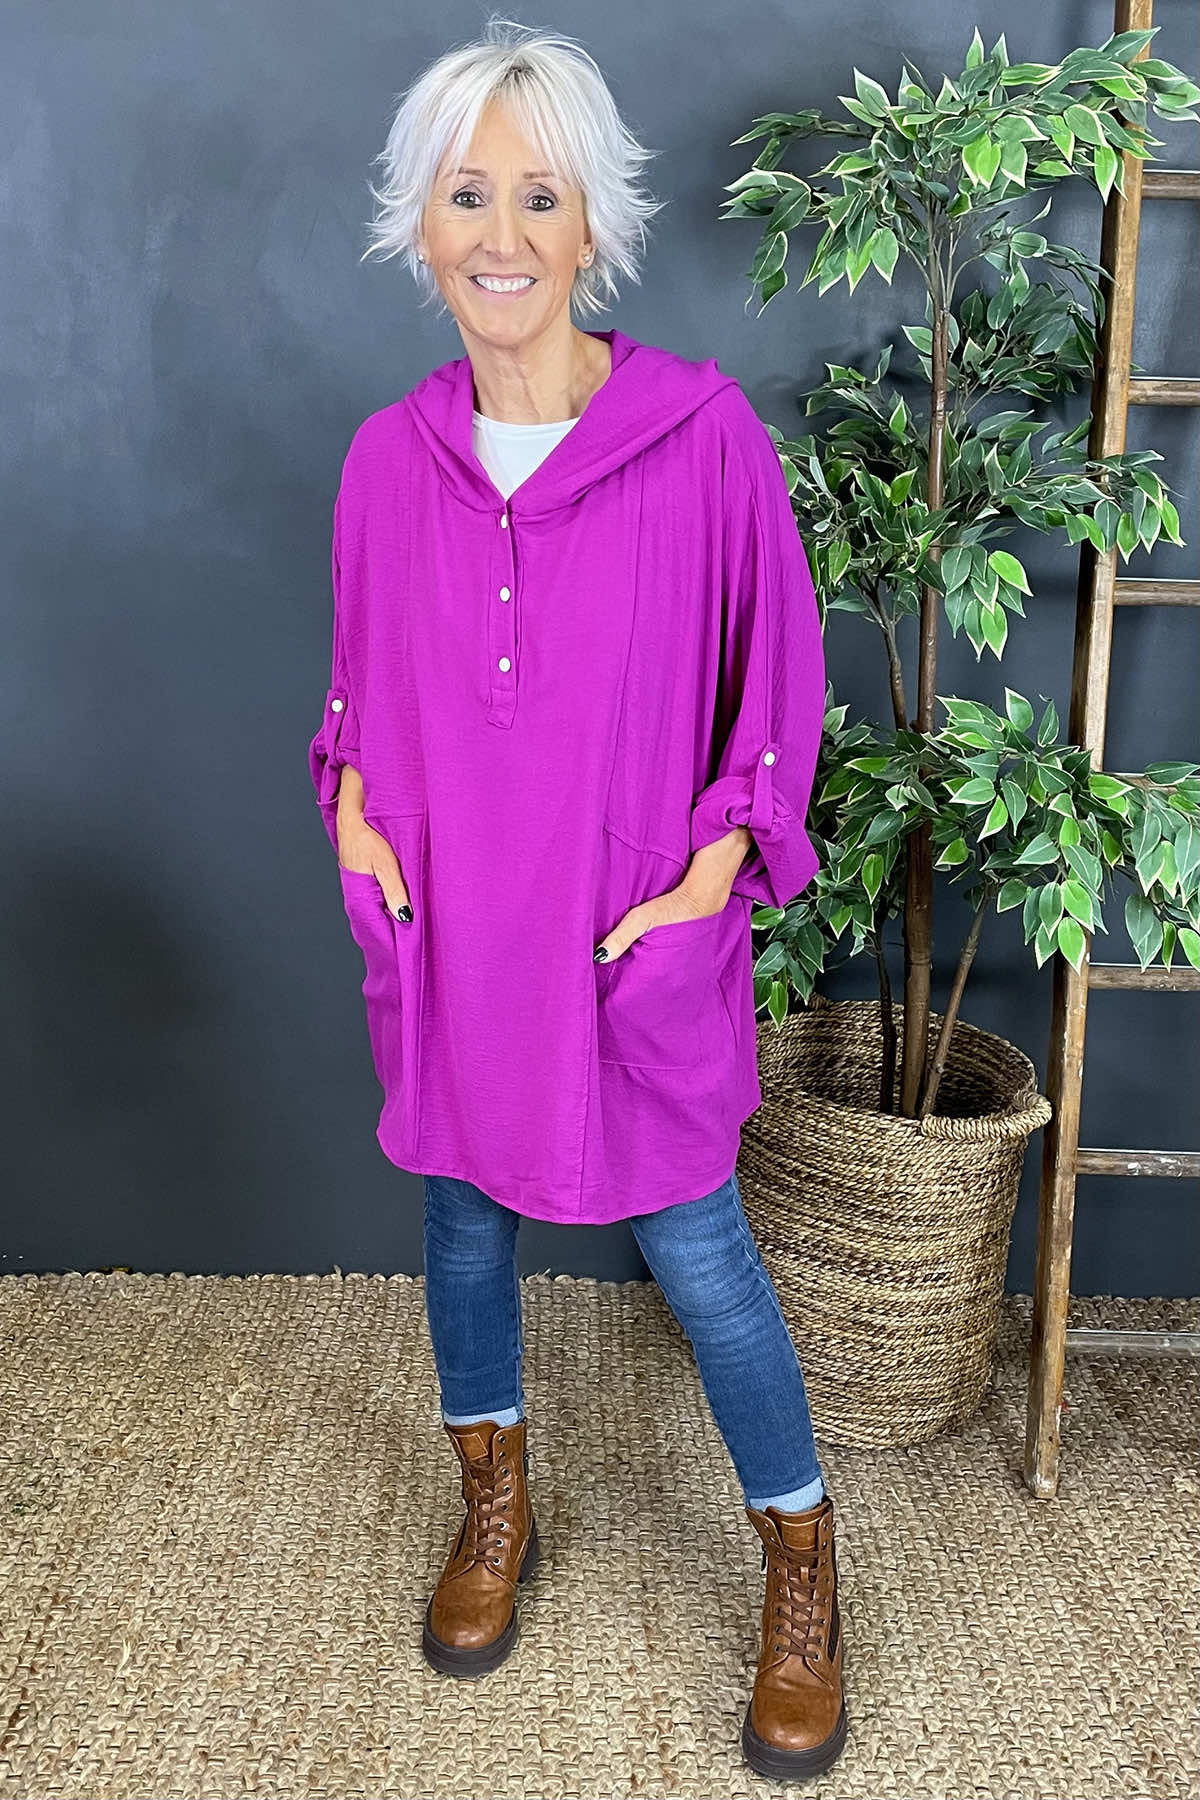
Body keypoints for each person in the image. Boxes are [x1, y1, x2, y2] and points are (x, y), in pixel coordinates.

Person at [308, 17, 845, 1783]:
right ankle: (496, 1502)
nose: (502, 234)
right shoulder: (386, 462)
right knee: (463, 1223)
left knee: (700, 1252)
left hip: (626, 942)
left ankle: (801, 1561)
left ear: (594, 224)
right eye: (467, 194)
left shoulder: (702, 442)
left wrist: (711, 880)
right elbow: (357, 692)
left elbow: (776, 698)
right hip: (459, 940)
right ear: (419, 222)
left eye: (540, 196)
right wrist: (358, 826)